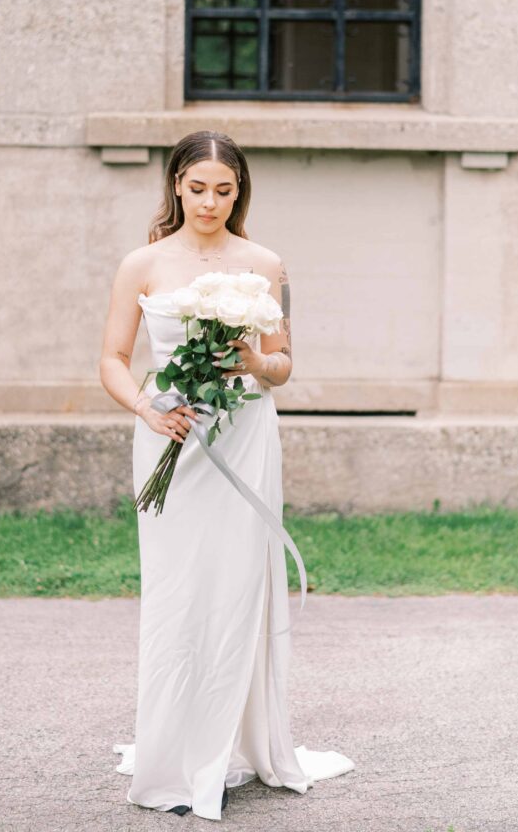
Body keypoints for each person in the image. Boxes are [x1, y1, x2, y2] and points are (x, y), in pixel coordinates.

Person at [100, 130, 354, 820]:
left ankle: (234, 745)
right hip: (170, 437)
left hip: (244, 438)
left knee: (238, 585)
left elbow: (283, 365)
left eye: (224, 190)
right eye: (197, 188)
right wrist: (147, 408)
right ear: (176, 186)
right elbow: (113, 359)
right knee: (177, 590)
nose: (209, 202)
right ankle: (172, 755)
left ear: (239, 193)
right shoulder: (141, 264)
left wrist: (251, 359)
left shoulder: (266, 264)